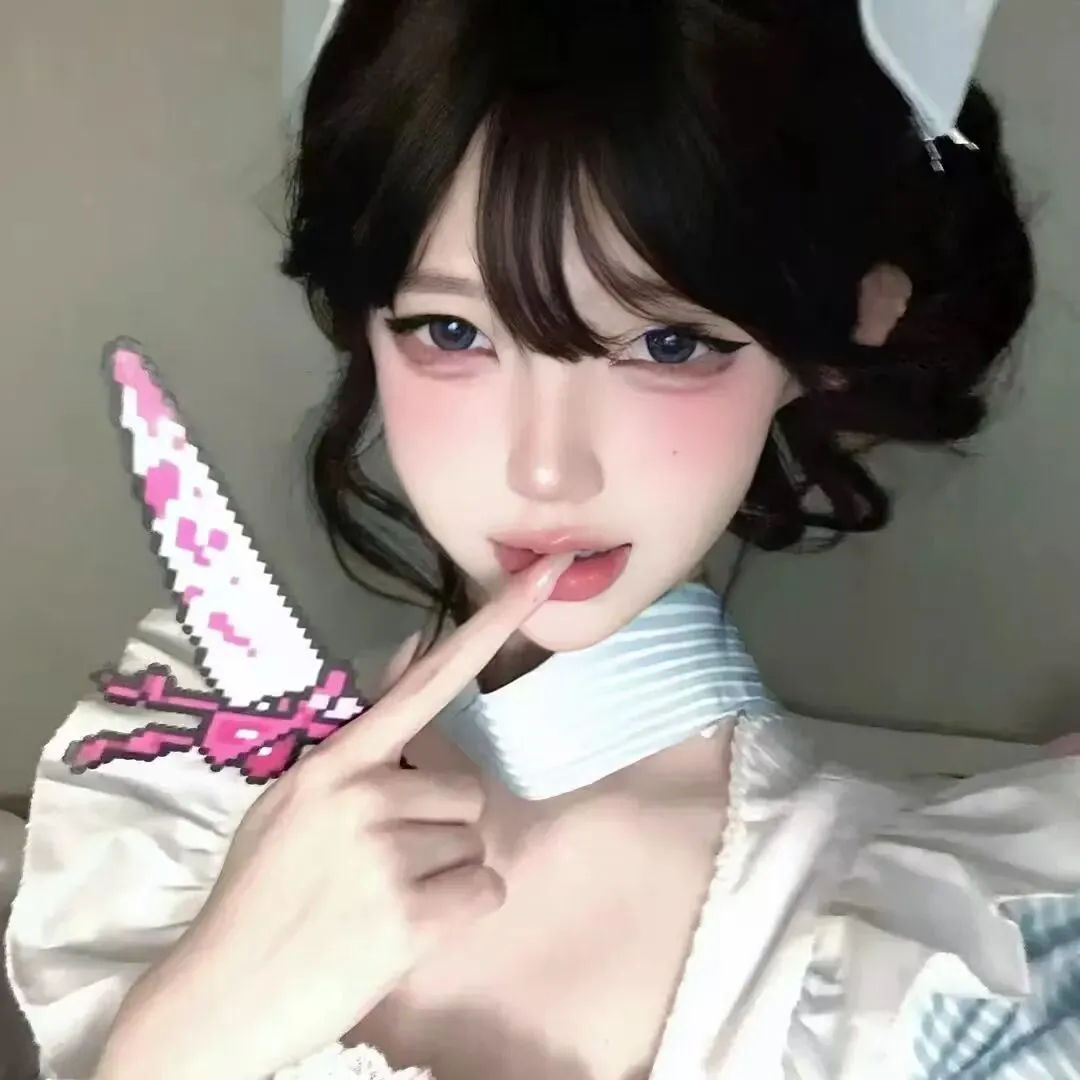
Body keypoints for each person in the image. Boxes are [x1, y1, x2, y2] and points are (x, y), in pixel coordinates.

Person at [6, 1, 1080, 1078]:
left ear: (844, 330)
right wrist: (191, 1023)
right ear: (365, 319)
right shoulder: (179, 788)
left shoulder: (948, 965)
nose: (546, 469)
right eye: (452, 331)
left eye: (668, 343)